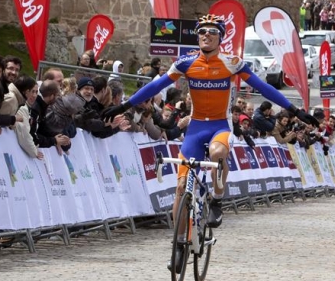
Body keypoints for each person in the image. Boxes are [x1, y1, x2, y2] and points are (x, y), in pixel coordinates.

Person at [101, 14, 319, 272]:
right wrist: (124, 105)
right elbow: (155, 85)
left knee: (217, 152)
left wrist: (294, 109)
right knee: (181, 187)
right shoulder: (186, 62)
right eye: (202, 31)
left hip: (219, 126)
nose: (206, 35)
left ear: (220, 37)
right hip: (195, 128)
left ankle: (216, 199)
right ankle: (180, 243)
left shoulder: (231, 63)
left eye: (212, 32)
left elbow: (263, 88)